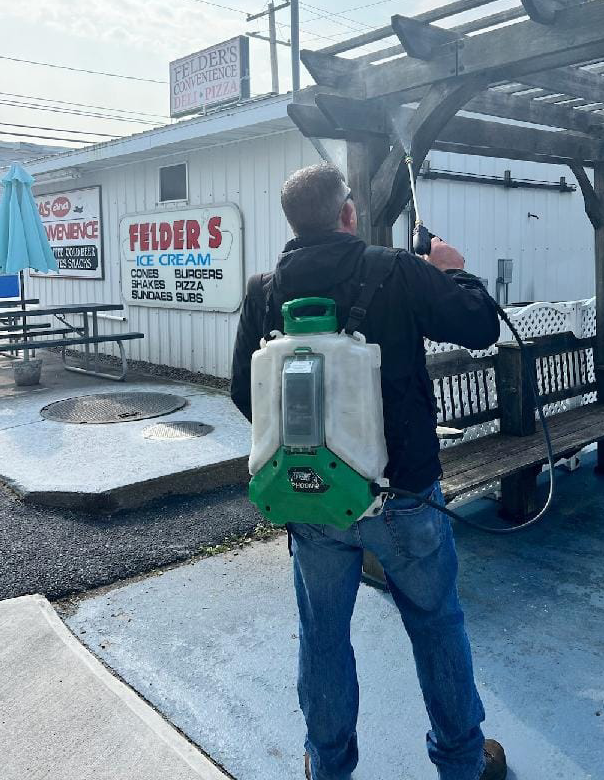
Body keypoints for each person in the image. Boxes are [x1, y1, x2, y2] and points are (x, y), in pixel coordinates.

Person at [231, 162, 507, 780]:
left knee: (323, 635)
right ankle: (462, 761)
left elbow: (244, 394)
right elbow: (481, 327)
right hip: (405, 496)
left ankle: (328, 765)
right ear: (349, 214)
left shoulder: (262, 291)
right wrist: (454, 271)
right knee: (436, 624)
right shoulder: (397, 269)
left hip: (310, 501)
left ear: (292, 220)